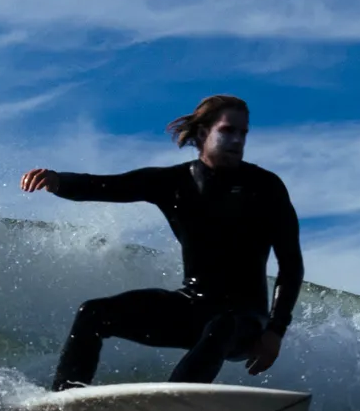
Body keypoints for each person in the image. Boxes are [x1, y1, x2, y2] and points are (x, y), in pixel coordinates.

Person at [21, 95, 305, 390]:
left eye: (242, 133)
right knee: (93, 313)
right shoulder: (175, 183)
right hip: (193, 306)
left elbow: (290, 264)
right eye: (227, 130)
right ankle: (64, 401)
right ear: (203, 132)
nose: (237, 140)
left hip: (245, 323)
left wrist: (275, 330)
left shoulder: (266, 187)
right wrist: (57, 181)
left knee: (222, 325)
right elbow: (110, 186)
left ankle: (174, 409)